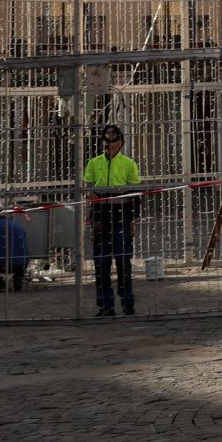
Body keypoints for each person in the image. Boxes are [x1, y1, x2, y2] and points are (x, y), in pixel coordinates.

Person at [82, 125, 141, 317]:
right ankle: (105, 305)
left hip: (121, 214)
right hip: (100, 215)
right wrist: (91, 201)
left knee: (124, 262)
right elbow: (88, 188)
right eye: (107, 144)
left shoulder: (129, 164)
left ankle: (127, 302)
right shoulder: (93, 163)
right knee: (101, 263)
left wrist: (133, 219)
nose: (110, 148)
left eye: (113, 144)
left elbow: (135, 194)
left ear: (120, 144)